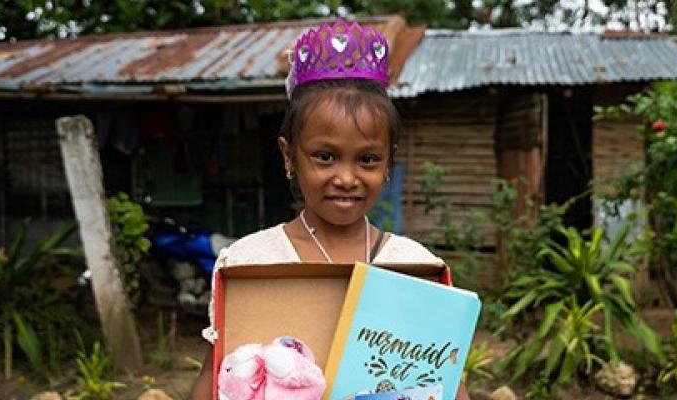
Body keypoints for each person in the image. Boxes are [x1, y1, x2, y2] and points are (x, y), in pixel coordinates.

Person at [191, 19, 471, 400]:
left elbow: (448, 385)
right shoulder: (248, 262)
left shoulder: (414, 267)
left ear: (388, 163)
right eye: (325, 157)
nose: (346, 178)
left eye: (368, 159)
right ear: (289, 156)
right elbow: (212, 379)